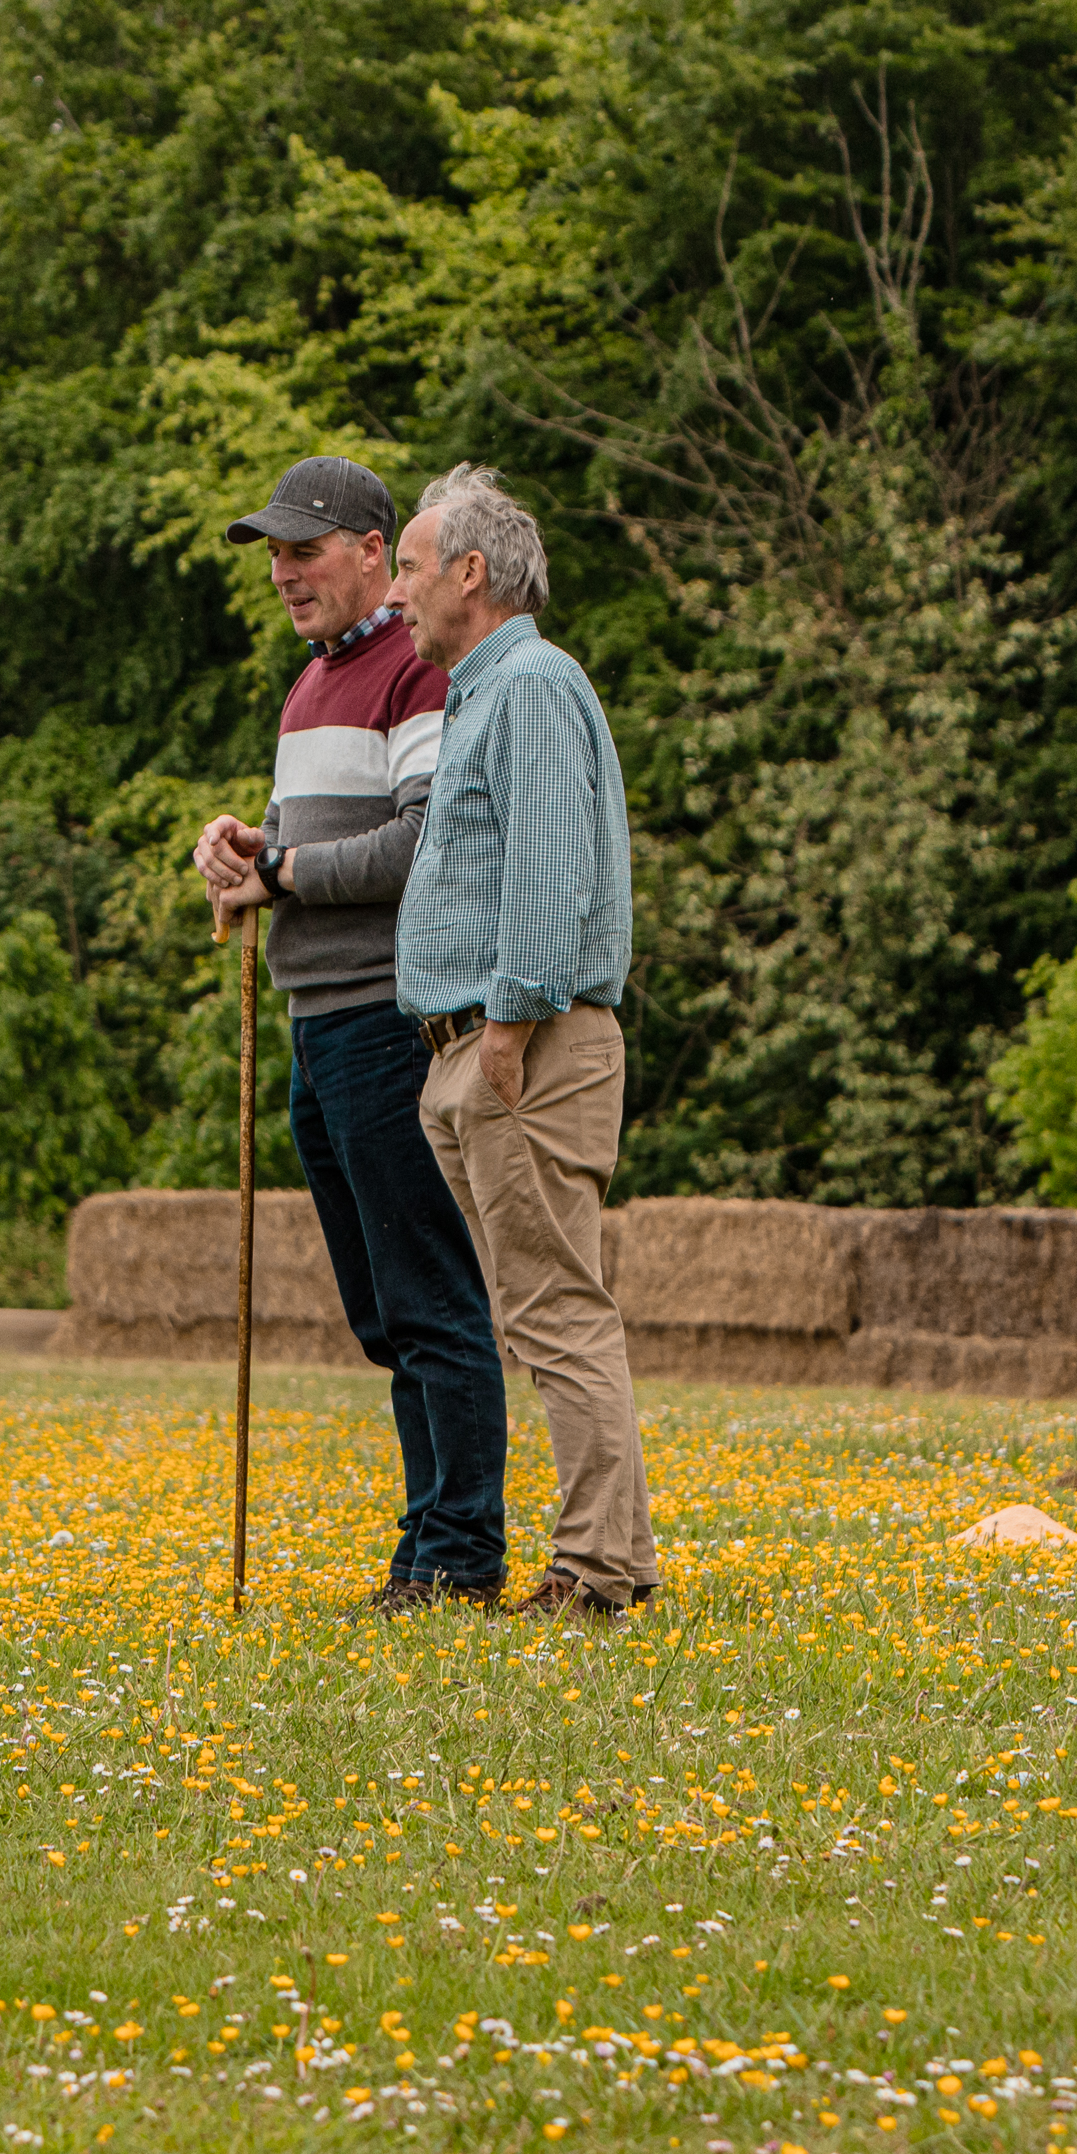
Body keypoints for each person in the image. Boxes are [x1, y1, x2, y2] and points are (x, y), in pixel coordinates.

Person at [187, 457, 514, 1617]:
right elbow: (293, 845)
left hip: (383, 1020)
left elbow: (417, 843)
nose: (283, 573)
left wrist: (277, 870)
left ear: (373, 551)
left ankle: (457, 1556)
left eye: (303, 549)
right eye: (273, 554)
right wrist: (237, 852)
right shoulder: (307, 686)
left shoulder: (410, 676)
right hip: (311, 1026)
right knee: (382, 1310)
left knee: (427, 1299)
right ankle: (426, 1546)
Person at [387, 461, 654, 1620]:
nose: (396, 593)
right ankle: (616, 1561)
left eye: (406, 565)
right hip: (480, 1050)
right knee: (537, 1309)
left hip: (522, 1047)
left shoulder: (532, 684)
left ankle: (594, 1575)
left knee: (553, 1311)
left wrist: (503, 1030)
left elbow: (548, 874)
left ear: (469, 572)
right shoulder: (479, 692)